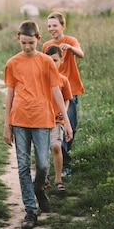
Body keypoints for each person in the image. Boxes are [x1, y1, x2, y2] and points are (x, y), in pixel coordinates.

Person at [3, 20, 73, 229]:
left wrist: (67, 122)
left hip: (43, 119)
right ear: (18, 39)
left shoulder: (46, 62)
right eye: (23, 43)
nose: (27, 47)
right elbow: (10, 94)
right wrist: (7, 124)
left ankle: (39, 188)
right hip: (19, 120)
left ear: (38, 40)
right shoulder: (13, 63)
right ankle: (30, 211)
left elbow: (56, 92)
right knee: (23, 166)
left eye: (31, 43)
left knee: (42, 165)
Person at [41, 12, 84, 177]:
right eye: (49, 26)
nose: (52, 29)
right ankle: (65, 165)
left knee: (70, 127)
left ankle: (62, 155)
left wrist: (71, 48)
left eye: (55, 25)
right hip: (53, 92)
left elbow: (81, 54)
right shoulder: (46, 46)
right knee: (57, 126)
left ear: (63, 26)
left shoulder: (70, 41)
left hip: (71, 92)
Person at [45, 44, 73, 195]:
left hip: (57, 119)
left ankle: (58, 180)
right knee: (41, 150)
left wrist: (65, 112)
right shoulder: (41, 79)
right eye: (48, 60)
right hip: (41, 120)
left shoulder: (63, 80)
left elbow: (67, 99)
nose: (51, 63)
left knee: (56, 147)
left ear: (61, 61)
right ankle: (44, 179)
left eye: (55, 60)